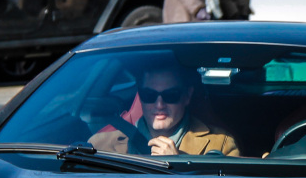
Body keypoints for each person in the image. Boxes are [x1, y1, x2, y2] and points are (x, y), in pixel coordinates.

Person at [90, 64, 240, 157]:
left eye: (171, 96)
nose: (159, 104)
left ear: (187, 96)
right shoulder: (99, 146)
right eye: (149, 95)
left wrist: (178, 165)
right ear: (140, 96)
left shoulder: (220, 144)